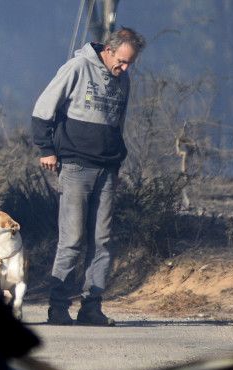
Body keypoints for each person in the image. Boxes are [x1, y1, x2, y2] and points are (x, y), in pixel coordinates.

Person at [32, 27, 146, 326]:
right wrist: (47, 148)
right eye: (121, 61)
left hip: (107, 168)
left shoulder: (124, 79)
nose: (124, 68)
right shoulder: (78, 67)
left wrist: (117, 158)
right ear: (108, 50)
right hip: (76, 166)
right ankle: (58, 306)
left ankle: (91, 305)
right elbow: (44, 109)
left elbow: (117, 122)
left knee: (103, 240)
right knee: (72, 239)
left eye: (130, 63)